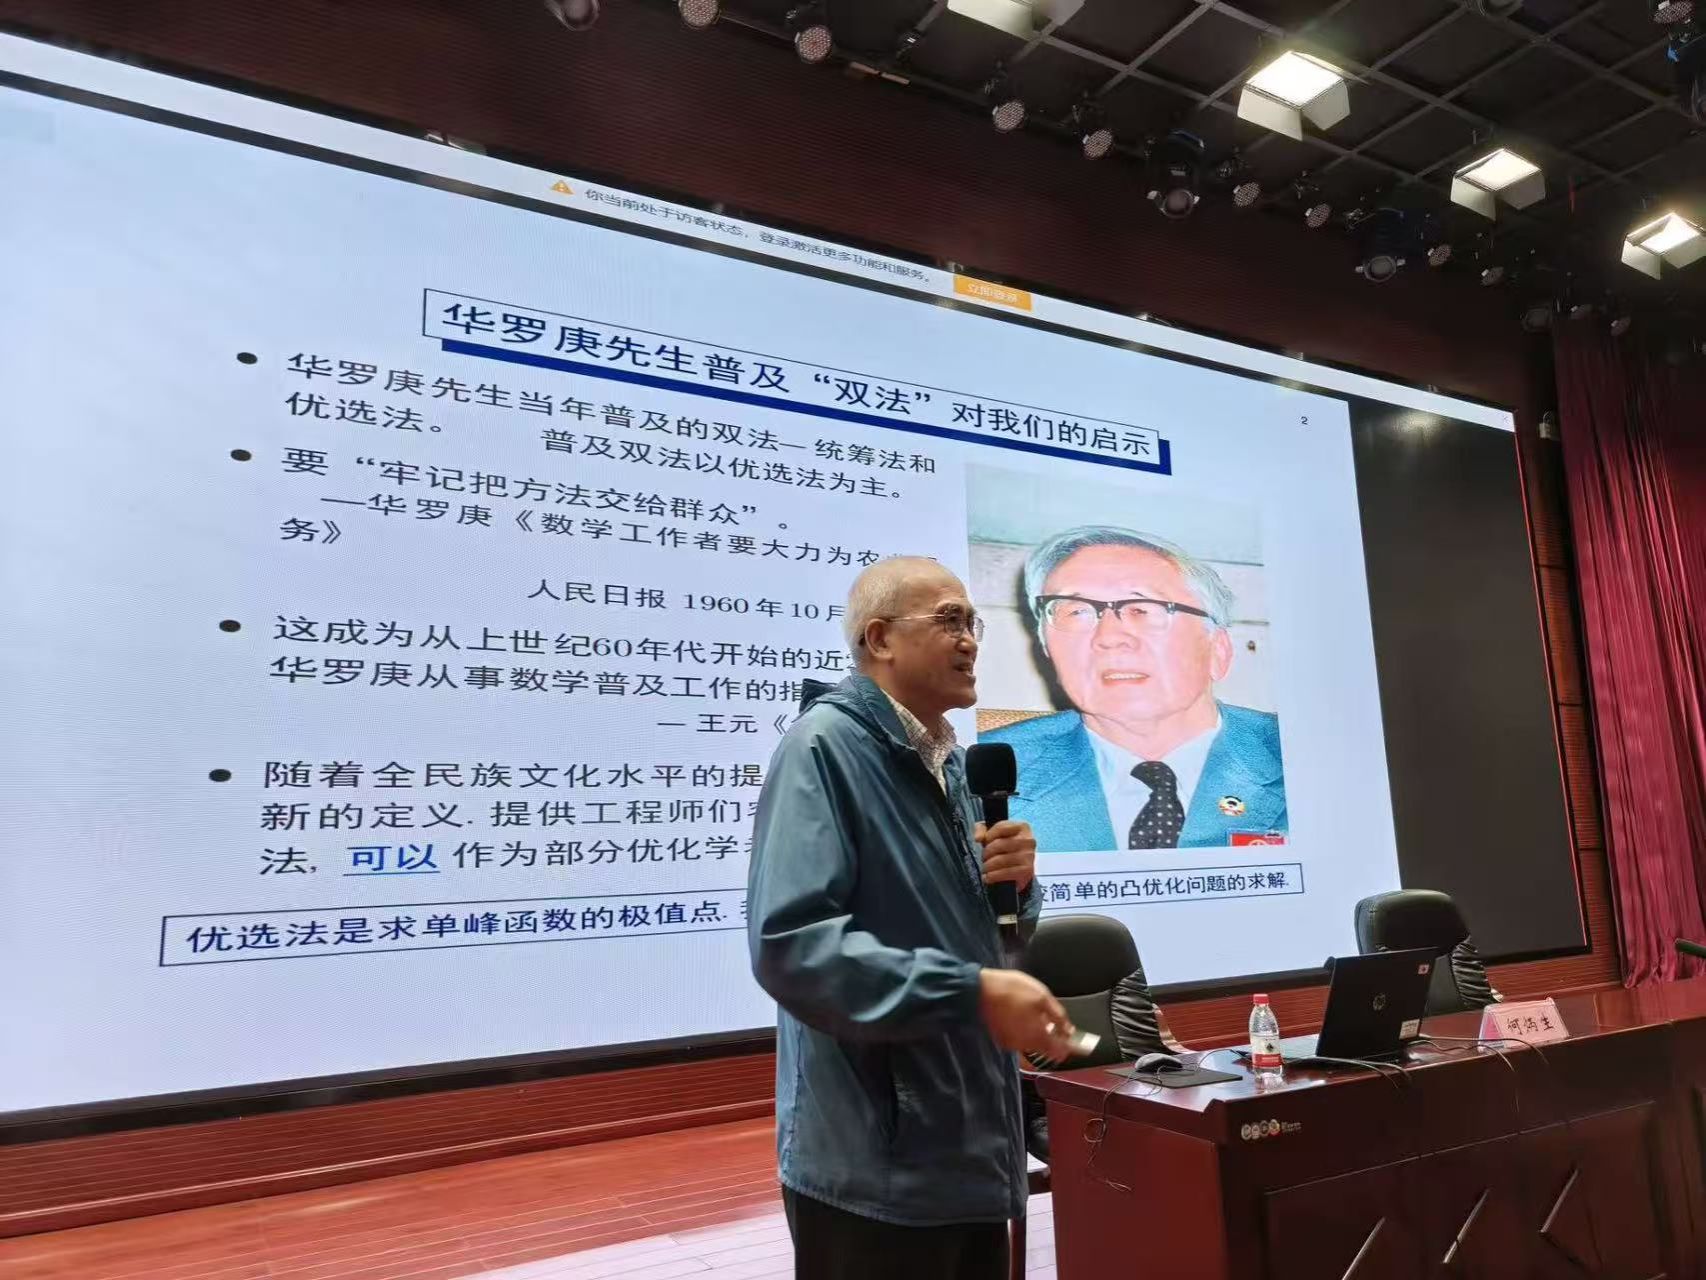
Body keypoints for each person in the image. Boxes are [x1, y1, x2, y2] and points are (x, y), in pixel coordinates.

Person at [747, 555, 1078, 1280]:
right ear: (880, 639)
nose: (969, 640)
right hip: (876, 1166)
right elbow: (791, 945)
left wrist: (1017, 891)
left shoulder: (951, 765)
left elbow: (991, 946)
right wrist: (970, 992)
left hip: (969, 1146)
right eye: (949, 620)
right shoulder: (824, 749)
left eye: (973, 622)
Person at [983, 526, 1285, 852]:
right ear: (1046, 649)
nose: (1109, 637)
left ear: (1218, 650)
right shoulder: (984, 773)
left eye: (1142, 609)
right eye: (1076, 611)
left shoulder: (1299, 756)